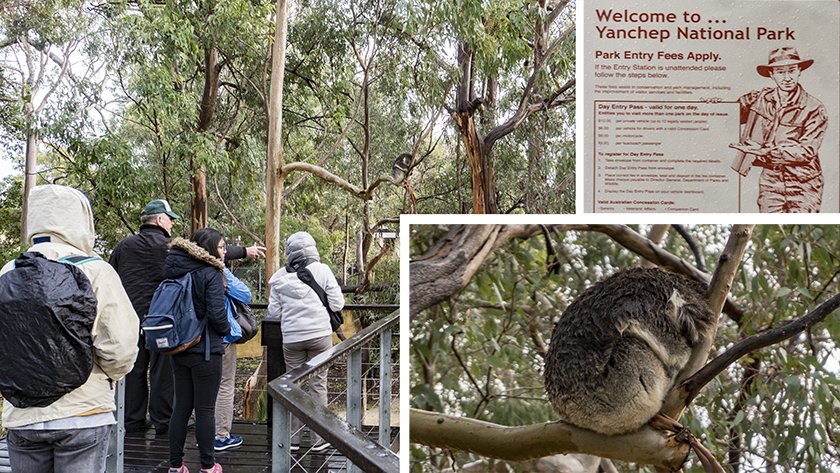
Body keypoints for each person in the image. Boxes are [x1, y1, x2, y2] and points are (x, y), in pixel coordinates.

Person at [1, 184, 139, 472]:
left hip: (22, 414)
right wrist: (108, 377)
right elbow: (120, 346)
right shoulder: (95, 270)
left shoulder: (8, 272)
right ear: (80, 219)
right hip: (83, 411)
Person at [110, 199, 265, 435]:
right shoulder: (170, 248)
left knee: (134, 369)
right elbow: (206, 253)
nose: (172, 223)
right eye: (170, 219)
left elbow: (112, 277)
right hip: (164, 320)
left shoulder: (123, 246)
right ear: (161, 220)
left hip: (130, 319)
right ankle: (163, 421)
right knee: (163, 370)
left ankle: (132, 421)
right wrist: (244, 251)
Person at [267, 231, 344, 452]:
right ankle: (319, 440)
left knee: (295, 386)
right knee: (318, 384)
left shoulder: (280, 276)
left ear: (289, 252)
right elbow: (337, 304)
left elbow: (274, 312)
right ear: (312, 248)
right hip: (319, 335)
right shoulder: (322, 270)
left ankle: (293, 440)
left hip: (292, 338)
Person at [729, 47, 828, 213]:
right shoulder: (760, 99)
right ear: (771, 74)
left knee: (799, 228)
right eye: (781, 72)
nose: (787, 78)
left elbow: (806, 150)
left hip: (804, 181)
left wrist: (765, 151)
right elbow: (725, 117)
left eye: (791, 70)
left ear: (799, 71)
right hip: (771, 180)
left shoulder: (814, 108)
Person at [165, 229, 230, 473]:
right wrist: (225, 331)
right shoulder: (210, 272)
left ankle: (175, 465)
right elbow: (216, 313)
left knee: (181, 407)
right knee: (205, 409)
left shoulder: (175, 268)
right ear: (211, 249)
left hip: (179, 346)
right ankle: (208, 465)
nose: (224, 252)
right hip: (205, 349)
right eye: (222, 247)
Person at [213, 267, 251, 451]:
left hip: (193, 339)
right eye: (221, 247)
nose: (225, 251)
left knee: (200, 387)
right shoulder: (219, 271)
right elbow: (245, 294)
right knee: (225, 385)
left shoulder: (186, 269)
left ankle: (204, 434)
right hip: (222, 339)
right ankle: (221, 436)